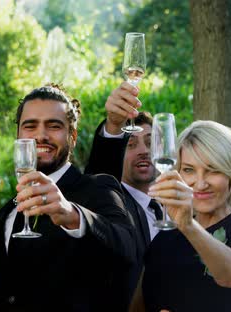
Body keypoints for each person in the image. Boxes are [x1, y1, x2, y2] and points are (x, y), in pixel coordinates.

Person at [0, 84, 136, 311]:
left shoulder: (98, 188)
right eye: (30, 126)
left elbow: (127, 248)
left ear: (73, 136)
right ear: (18, 135)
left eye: (54, 126)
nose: (41, 135)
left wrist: (71, 214)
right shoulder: (8, 211)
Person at [130, 120, 231, 312]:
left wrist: (188, 225)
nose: (200, 183)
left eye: (213, 170)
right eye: (189, 170)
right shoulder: (163, 238)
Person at [85, 82, 160, 306]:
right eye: (131, 144)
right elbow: (98, 177)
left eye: (150, 142)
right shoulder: (109, 203)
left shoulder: (172, 209)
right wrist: (113, 126)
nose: (144, 151)